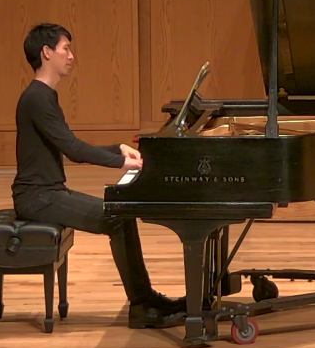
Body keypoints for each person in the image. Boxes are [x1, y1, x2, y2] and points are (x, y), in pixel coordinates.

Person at [11, 22, 185, 329]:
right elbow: (74, 150)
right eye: (66, 48)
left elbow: (68, 145)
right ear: (47, 52)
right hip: (38, 198)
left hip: (49, 192)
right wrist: (120, 161)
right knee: (117, 218)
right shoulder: (37, 98)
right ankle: (142, 305)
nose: (71, 56)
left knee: (121, 215)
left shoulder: (43, 95)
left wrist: (116, 149)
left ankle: (146, 299)